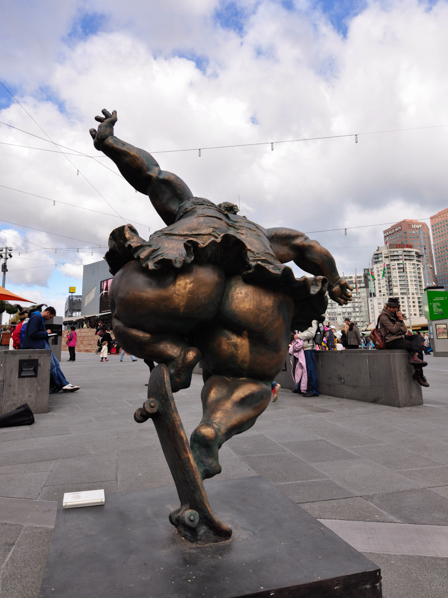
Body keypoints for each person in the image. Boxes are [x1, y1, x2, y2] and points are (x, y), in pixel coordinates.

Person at [90, 109, 352, 478]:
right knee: (249, 381)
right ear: (236, 213)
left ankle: (175, 353)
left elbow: (152, 175)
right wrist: (335, 280)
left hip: (190, 272)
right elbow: (307, 246)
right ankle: (214, 427)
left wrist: (109, 142)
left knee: (121, 316)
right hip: (259, 295)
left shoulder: (191, 207)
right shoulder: (263, 234)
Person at [22, 307, 79, 392]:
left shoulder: (38, 318)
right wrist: (46, 333)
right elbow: (32, 333)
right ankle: (59, 385)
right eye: (50, 317)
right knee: (53, 366)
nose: (49, 319)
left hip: (42, 344)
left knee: (55, 364)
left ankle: (64, 384)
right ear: (48, 312)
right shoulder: (36, 317)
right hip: (37, 345)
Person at [378, 297, 429, 387]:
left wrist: (399, 321)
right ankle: (419, 374)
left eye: (394, 307)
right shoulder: (383, 317)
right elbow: (393, 330)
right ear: (387, 306)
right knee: (413, 345)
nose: (392, 309)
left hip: (400, 338)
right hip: (391, 340)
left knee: (417, 337)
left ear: (398, 308)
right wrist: (400, 320)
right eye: (390, 307)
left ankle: (415, 356)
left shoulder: (397, 316)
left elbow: (404, 330)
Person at [295, 320, 319, 397]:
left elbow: (312, 333)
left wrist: (299, 336)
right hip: (302, 348)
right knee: (301, 369)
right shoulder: (305, 320)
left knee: (310, 369)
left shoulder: (312, 320)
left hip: (309, 348)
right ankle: (300, 387)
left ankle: (314, 390)